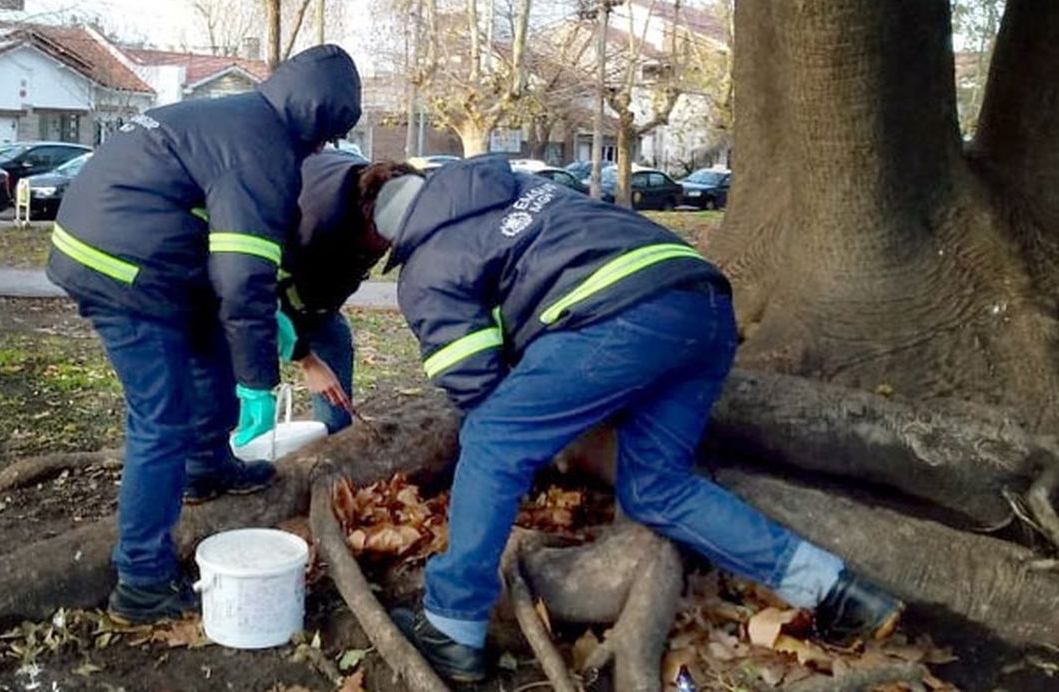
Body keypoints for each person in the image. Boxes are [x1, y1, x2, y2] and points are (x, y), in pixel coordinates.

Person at [371, 157, 903, 683]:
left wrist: (542, 424)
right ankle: (836, 590)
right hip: (703, 305)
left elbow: (474, 384)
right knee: (656, 488)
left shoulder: (427, 268)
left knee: (490, 441)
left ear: (400, 240)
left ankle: (451, 623)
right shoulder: (515, 187)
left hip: (619, 320)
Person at [45, 44, 362, 625]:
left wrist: (292, 347)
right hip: (124, 270)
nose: (322, 149)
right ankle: (141, 581)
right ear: (318, 120)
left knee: (208, 344)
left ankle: (206, 464)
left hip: (140, 252)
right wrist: (260, 383)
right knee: (160, 418)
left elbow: (243, 279)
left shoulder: (239, 117)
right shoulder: (262, 150)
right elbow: (243, 280)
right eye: (327, 136)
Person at [280, 152, 421, 432]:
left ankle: (332, 442)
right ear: (365, 215)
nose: (387, 247)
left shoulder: (384, 191)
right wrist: (306, 360)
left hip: (316, 297)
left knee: (334, 337)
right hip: (246, 294)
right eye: (386, 239)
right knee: (235, 375)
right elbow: (253, 293)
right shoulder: (311, 223)